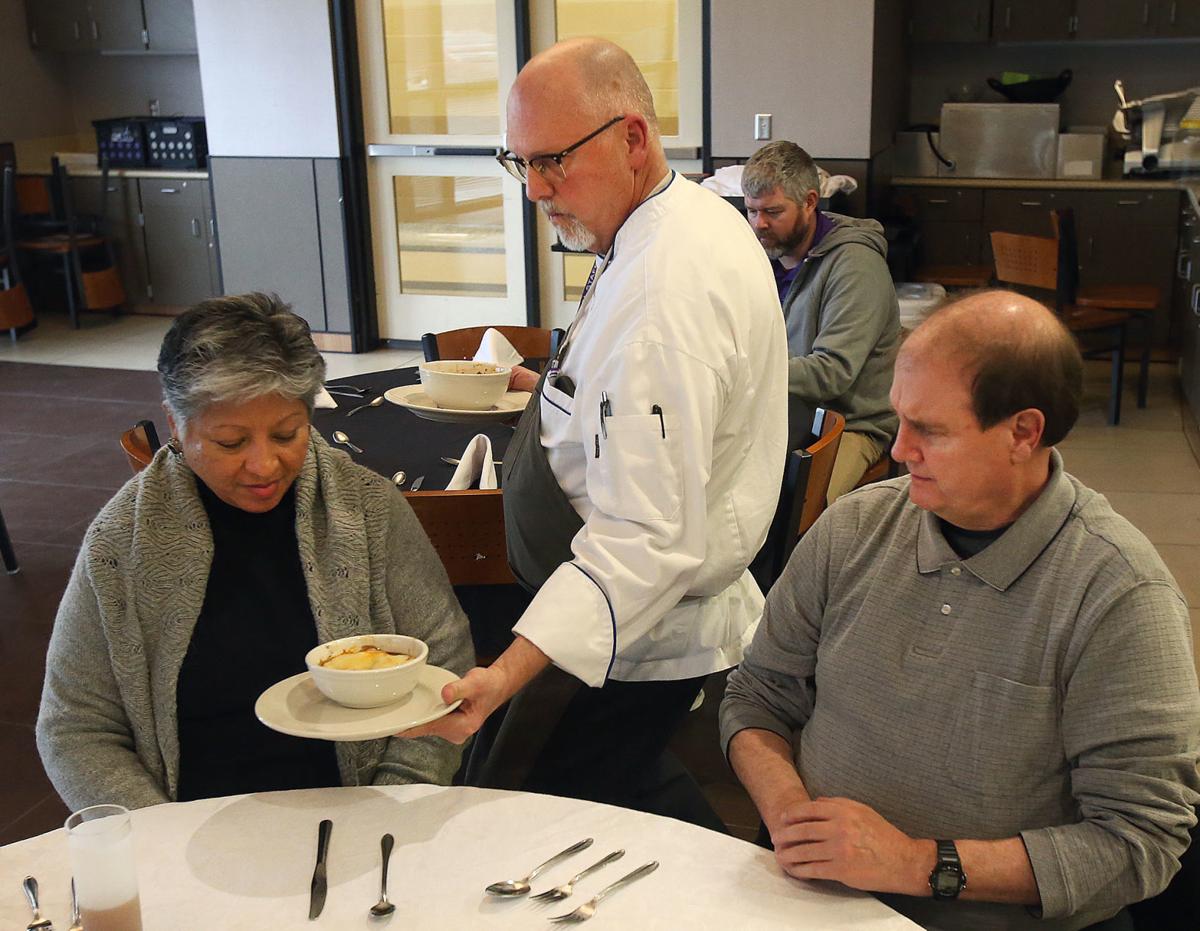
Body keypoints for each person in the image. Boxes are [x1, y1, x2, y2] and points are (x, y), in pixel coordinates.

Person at [719, 290, 1200, 930]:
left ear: (1023, 433)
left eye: (932, 430)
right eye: (900, 419)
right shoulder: (854, 529)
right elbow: (758, 694)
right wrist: (788, 813)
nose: (897, 450)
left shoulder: (1117, 594)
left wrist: (917, 863)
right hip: (813, 901)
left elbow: (1141, 841)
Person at [405, 37, 788, 823]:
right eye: (521, 165)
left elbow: (645, 538)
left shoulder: (663, 292)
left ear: (633, 138)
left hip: (631, 626)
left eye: (554, 162)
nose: (536, 191)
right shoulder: (662, 219)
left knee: (554, 792)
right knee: (609, 782)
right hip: (613, 601)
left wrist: (506, 672)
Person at [37, 293, 473, 811]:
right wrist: (159, 838)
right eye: (230, 443)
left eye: (287, 434)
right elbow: (76, 726)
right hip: (189, 829)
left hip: (365, 812)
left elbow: (443, 663)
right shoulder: (121, 541)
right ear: (177, 426)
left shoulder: (367, 509)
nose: (264, 465)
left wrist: (389, 803)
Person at [741, 141, 899, 502]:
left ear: (810, 202)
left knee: (794, 506)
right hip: (786, 410)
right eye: (751, 211)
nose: (759, 224)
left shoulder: (856, 266)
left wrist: (748, 372)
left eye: (773, 212)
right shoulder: (765, 256)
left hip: (851, 424)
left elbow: (833, 371)